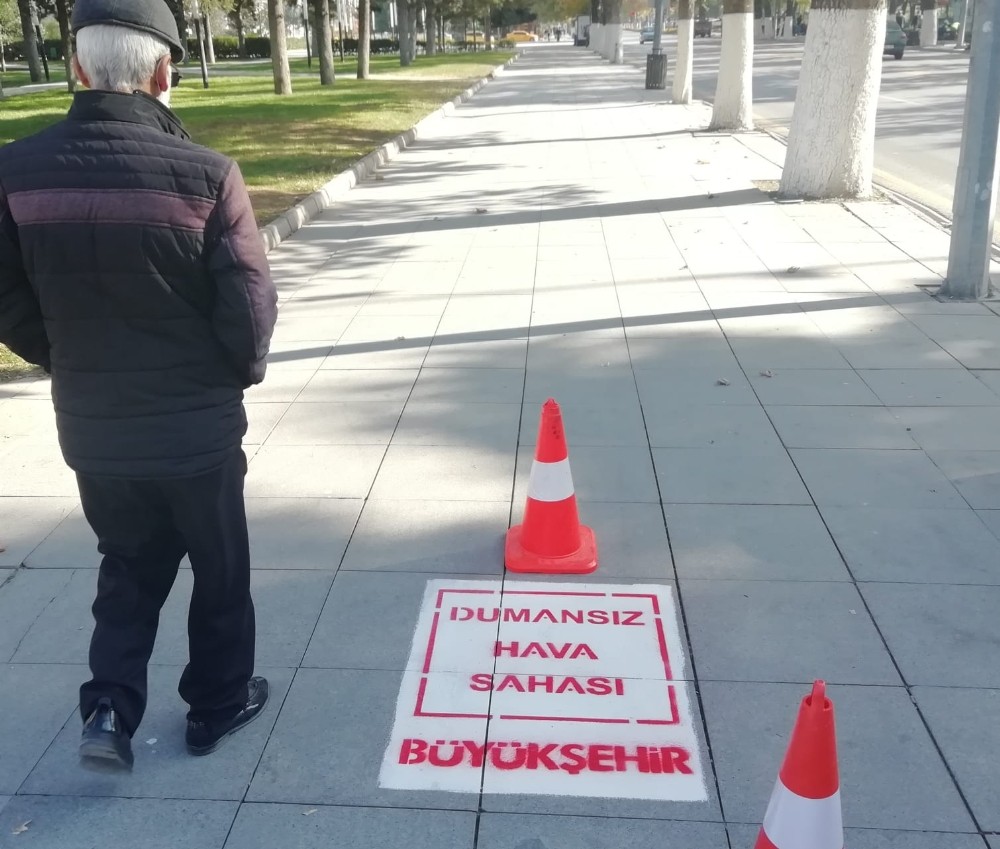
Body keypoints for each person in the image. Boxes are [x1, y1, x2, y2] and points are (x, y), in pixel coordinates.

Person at [0, 0, 278, 771]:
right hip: (197, 431)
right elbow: (250, 303)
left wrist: (64, 357)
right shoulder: (208, 175)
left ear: (77, 68)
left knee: (126, 565)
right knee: (220, 570)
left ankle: (108, 710)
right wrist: (235, 375)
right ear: (163, 72)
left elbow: (7, 295)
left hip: (94, 426)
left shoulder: (14, 172)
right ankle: (217, 703)